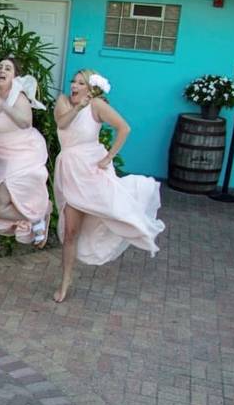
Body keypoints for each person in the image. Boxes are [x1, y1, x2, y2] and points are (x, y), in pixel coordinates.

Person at [53, 69, 165, 303]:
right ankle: (65, 280)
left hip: (91, 170)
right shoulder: (64, 102)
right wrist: (77, 107)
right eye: (73, 81)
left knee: (114, 210)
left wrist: (109, 157)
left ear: (90, 88)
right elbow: (61, 123)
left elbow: (124, 128)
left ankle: (140, 228)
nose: (74, 85)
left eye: (80, 83)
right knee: (70, 231)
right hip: (70, 171)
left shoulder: (97, 106)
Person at [0, 56, 51, 246]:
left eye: (8, 68)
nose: (2, 71)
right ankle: (36, 216)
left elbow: (26, 122)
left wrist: (5, 106)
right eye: (0, 67)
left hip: (21, 155)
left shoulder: (18, 96)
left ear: (15, 76)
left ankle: (39, 214)